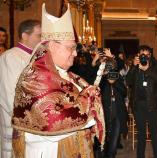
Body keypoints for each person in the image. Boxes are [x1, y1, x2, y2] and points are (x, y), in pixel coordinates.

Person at [11, 4, 105, 158]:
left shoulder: (69, 75)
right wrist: (88, 99)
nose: (75, 53)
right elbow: (52, 121)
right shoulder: (35, 77)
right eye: (71, 47)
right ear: (53, 46)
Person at [0, 19, 41, 158]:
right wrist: (28, 120)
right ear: (25, 36)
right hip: (18, 122)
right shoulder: (11, 57)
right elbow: (8, 94)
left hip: (34, 121)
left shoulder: (36, 57)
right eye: (38, 35)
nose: (42, 40)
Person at [126, 45, 157, 158]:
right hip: (138, 105)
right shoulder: (135, 66)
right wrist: (133, 67)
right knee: (141, 135)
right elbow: (128, 81)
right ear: (138, 55)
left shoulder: (156, 65)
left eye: (147, 55)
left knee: (155, 135)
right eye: (143, 55)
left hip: (152, 104)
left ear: (150, 55)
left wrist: (147, 69)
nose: (145, 57)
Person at [100, 58, 128, 158]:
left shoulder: (118, 77)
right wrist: (103, 77)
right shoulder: (101, 78)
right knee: (103, 139)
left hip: (117, 112)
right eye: (108, 66)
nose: (110, 69)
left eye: (111, 67)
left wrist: (114, 82)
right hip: (104, 112)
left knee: (114, 140)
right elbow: (98, 92)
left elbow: (124, 93)